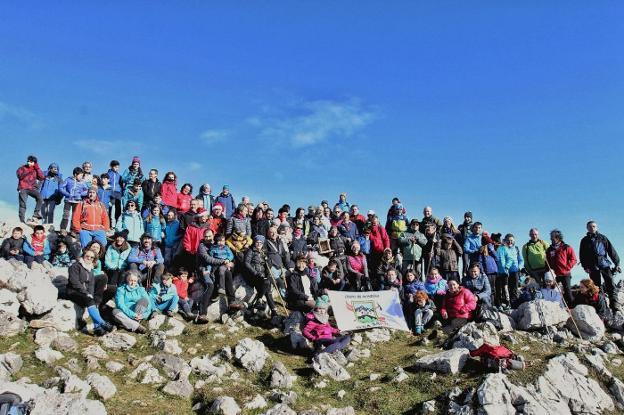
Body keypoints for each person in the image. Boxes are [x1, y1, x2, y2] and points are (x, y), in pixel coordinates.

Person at [66, 250, 114, 336]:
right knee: (88, 298)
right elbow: (74, 282)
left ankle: (97, 328)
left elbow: (91, 285)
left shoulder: (90, 270)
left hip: (84, 294)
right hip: (73, 292)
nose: (89, 258)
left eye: (92, 257)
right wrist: (85, 293)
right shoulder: (75, 266)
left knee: (91, 299)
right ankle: (102, 323)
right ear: (83, 256)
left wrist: (90, 294)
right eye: (87, 256)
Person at [579, 220, 621, 312]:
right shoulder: (584, 240)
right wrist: (585, 267)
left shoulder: (603, 238)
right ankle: (603, 307)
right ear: (587, 228)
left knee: (611, 284)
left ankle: (614, 305)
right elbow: (582, 255)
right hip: (592, 266)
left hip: (604, 264)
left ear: (596, 227)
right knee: (596, 287)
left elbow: (611, 251)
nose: (592, 228)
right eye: (590, 227)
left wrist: (617, 263)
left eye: (594, 226)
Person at [244, 235, 278, 320]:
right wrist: (255, 272)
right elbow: (246, 263)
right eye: (257, 242)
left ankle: (274, 312)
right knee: (266, 283)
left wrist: (268, 261)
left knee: (268, 290)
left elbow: (268, 265)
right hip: (253, 276)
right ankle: (260, 299)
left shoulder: (263, 252)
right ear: (254, 243)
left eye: (260, 243)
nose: (259, 244)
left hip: (263, 275)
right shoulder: (251, 251)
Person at [545, 229, 577, 305]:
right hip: (554, 275)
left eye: (553, 237)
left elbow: (573, 259)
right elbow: (547, 262)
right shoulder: (549, 250)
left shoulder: (566, 247)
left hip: (565, 274)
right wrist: (548, 272)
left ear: (558, 237)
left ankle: (572, 307)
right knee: (553, 291)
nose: (551, 239)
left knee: (567, 291)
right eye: (551, 237)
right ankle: (556, 307)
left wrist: (567, 267)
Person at [496, 233, 524, 308]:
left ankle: (514, 305)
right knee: (505, 288)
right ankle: (506, 304)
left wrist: (519, 267)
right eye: (508, 240)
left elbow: (521, 260)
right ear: (505, 240)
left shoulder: (516, 249)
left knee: (514, 289)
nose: (510, 242)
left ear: (514, 241)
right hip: (505, 272)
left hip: (514, 271)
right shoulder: (502, 248)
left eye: (511, 240)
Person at [16, 155, 45, 224]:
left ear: (34, 163)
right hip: (23, 188)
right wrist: (28, 169)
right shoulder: (22, 168)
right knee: (23, 204)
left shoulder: (36, 169)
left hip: (32, 188)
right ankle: (22, 221)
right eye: (28, 161)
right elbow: (19, 176)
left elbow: (42, 177)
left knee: (40, 198)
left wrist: (37, 168)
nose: (29, 162)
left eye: (31, 161)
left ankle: (36, 214)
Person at [265, 225, 291, 298]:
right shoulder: (266, 242)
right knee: (280, 282)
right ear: (268, 234)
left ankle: (292, 293)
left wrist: (289, 266)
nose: (273, 234)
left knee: (291, 276)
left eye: (275, 232)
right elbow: (264, 253)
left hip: (281, 266)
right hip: (272, 267)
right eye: (271, 232)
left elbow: (284, 254)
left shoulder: (279, 242)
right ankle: (285, 297)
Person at [59, 167, 88, 232]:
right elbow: (61, 187)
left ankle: (73, 230)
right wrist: (67, 194)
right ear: (75, 174)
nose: (81, 177)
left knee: (75, 216)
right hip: (68, 200)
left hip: (77, 201)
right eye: (80, 175)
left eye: (82, 175)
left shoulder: (82, 182)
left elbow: (87, 190)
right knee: (66, 214)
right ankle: (63, 229)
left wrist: (80, 194)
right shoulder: (68, 180)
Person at [107, 160, 123, 226]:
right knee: (110, 209)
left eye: (118, 167)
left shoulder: (119, 175)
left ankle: (116, 224)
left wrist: (121, 191)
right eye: (115, 167)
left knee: (118, 209)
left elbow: (121, 184)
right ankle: (110, 225)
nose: (117, 168)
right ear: (111, 166)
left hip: (118, 193)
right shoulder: (108, 174)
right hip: (111, 193)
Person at [457, 211, 474, 276]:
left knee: (472, 264)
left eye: (469, 217)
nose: (467, 218)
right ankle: (465, 277)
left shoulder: (473, 226)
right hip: (464, 249)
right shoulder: (461, 227)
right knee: (465, 263)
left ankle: (471, 277)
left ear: (471, 218)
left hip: (472, 249)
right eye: (466, 217)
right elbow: (457, 238)